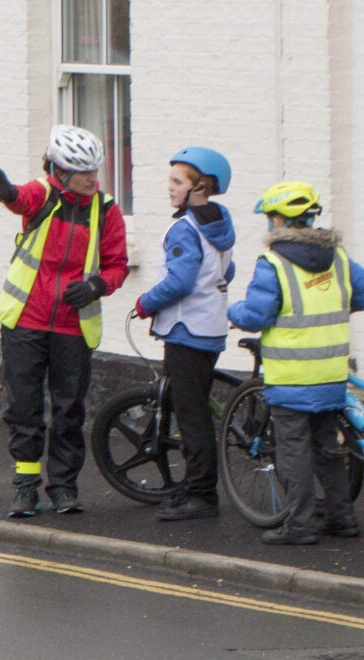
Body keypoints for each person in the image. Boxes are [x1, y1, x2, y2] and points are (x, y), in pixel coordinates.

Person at [0, 125, 130, 517]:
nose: (94, 179)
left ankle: (63, 486)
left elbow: (117, 266)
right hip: (26, 319)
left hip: (73, 326)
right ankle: (26, 487)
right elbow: (23, 199)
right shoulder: (45, 195)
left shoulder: (106, 211)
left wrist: (95, 286)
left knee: (69, 409)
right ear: (59, 173)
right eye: (84, 173)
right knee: (24, 407)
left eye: (96, 171)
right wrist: (7, 193)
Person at [225, 182, 364, 545]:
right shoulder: (337, 257)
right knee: (327, 446)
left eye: (268, 218)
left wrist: (234, 311)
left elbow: (258, 314)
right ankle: (342, 519)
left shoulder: (274, 262)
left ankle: (300, 526)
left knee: (293, 451)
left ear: (279, 219)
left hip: (291, 374)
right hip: (330, 372)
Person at [128, 147, 238, 521]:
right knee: (193, 409)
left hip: (186, 330)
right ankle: (191, 487)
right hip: (209, 326)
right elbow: (227, 270)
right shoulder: (219, 222)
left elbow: (180, 280)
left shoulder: (185, 228)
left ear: (200, 186)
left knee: (192, 417)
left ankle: (203, 496)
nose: (170, 188)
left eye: (178, 182)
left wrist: (145, 302)